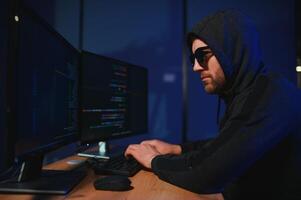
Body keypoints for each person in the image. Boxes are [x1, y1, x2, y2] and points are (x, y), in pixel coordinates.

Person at [125, 9, 301, 200]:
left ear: (231, 49)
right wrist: (177, 149)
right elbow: (228, 144)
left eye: (202, 55)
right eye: (193, 58)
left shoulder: (271, 95)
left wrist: (153, 160)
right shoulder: (249, 92)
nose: (196, 67)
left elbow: (208, 171)